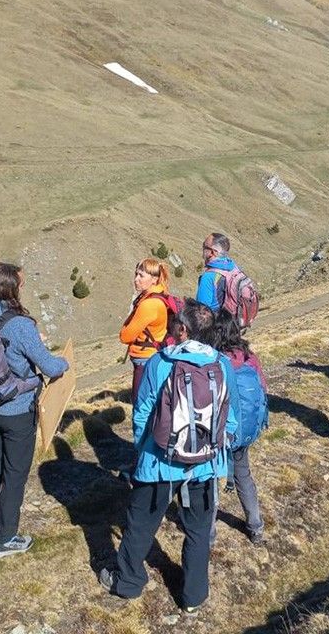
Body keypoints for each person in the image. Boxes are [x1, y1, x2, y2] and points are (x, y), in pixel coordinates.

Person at [100, 301, 238, 613]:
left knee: (140, 524)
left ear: (183, 330)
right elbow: (231, 420)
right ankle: (193, 596)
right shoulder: (223, 365)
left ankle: (129, 582)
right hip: (205, 464)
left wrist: (143, 450)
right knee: (199, 529)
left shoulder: (160, 363)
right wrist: (216, 452)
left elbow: (143, 414)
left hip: (158, 462)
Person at [0, 263, 68, 557]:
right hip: (17, 410)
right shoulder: (21, 325)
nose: (22, 290)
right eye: (20, 285)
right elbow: (49, 366)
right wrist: (65, 363)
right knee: (14, 474)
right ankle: (5, 539)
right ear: (10, 288)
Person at [212, 309, 267, 544]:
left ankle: (209, 533)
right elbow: (263, 390)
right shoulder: (249, 357)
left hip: (220, 431)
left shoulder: (214, 361)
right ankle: (255, 526)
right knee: (244, 474)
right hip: (245, 431)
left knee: (211, 479)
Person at [119, 257, 172, 402]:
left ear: (154, 279)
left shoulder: (148, 304)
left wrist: (126, 325)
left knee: (140, 403)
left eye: (141, 275)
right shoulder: (159, 295)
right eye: (136, 274)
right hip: (153, 354)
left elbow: (125, 336)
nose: (136, 279)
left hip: (145, 358)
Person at [196, 232, 236, 313]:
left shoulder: (208, 277)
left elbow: (201, 312)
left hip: (217, 323)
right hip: (233, 321)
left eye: (205, 246)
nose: (203, 249)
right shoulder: (233, 267)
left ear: (213, 252)